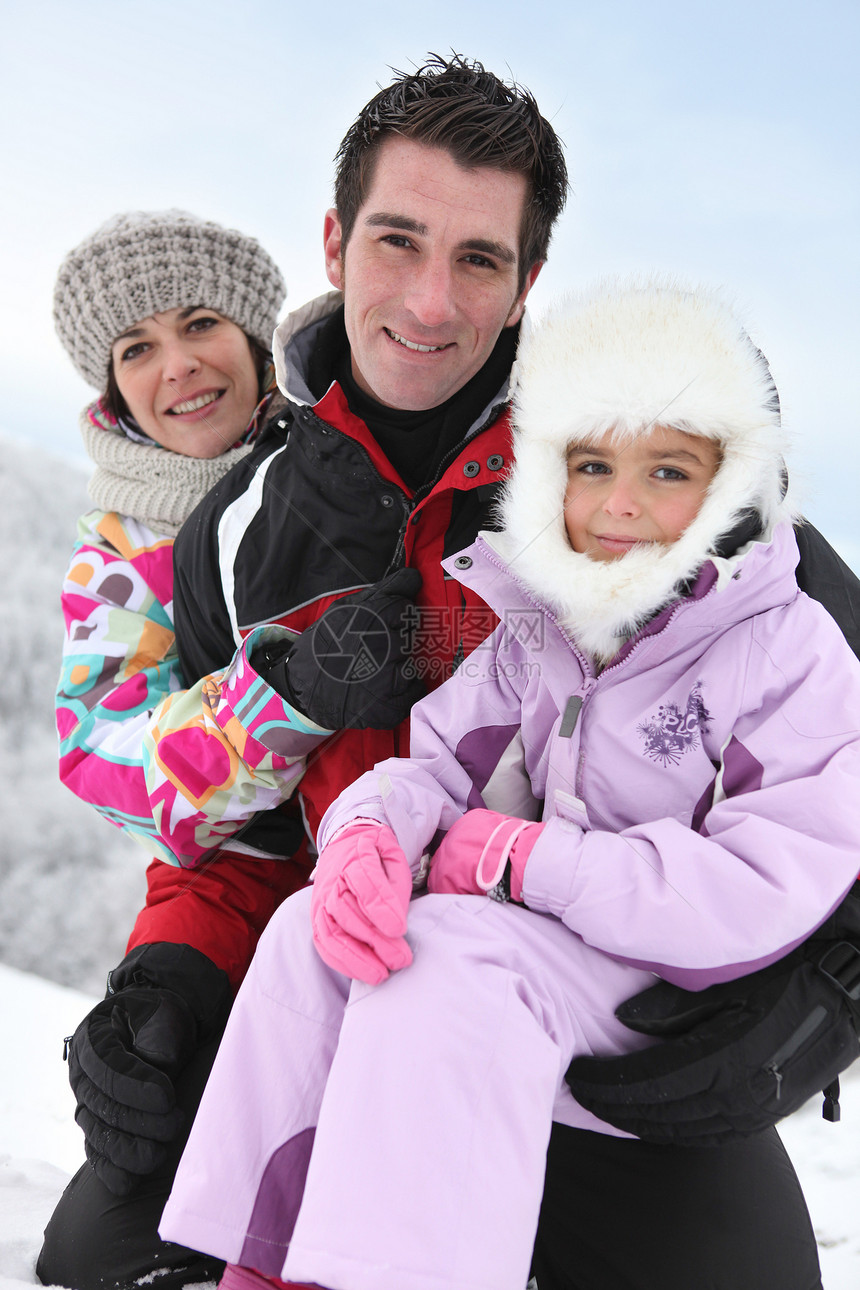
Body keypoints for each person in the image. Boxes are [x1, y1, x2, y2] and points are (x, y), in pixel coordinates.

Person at [41, 55, 860, 1290]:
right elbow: (240, 839)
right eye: (396, 241)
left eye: (477, 259)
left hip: (604, 1008)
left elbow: (818, 715)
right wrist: (167, 983)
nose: (428, 302)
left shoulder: (627, 458)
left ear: (528, 280)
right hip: (356, 966)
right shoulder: (229, 530)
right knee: (100, 1260)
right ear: (333, 240)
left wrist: (832, 980)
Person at [40, 209, 291, 1289]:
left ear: (255, 337)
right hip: (232, 900)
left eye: (199, 325)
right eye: (135, 347)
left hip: (422, 886)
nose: (176, 367)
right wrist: (274, 703)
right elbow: (107, 759)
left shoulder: (338, 472)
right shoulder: (123, 557)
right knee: (101, 1252)